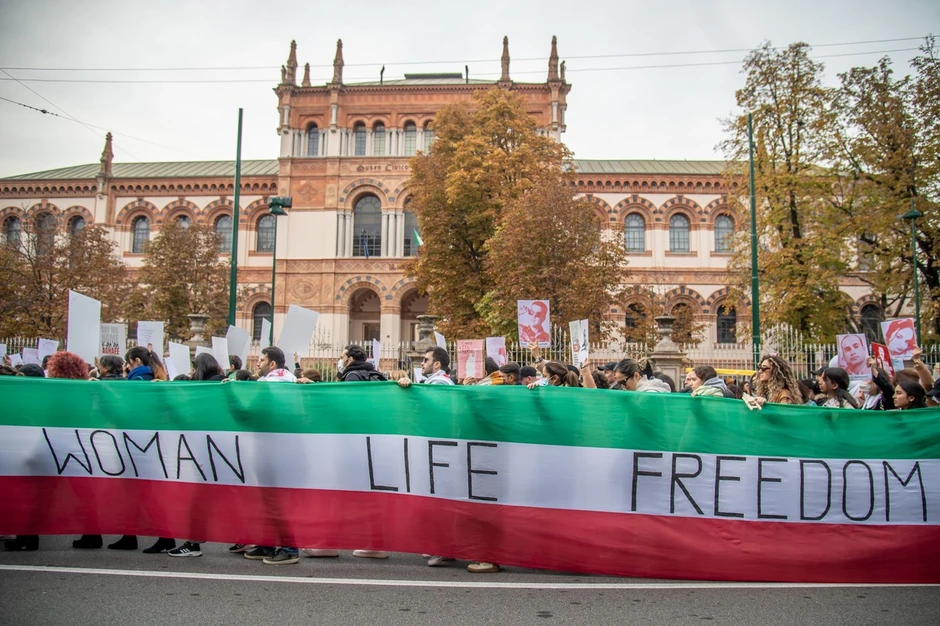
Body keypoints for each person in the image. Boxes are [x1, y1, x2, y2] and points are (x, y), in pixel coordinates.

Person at [241, 346, 300, 565]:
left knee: (273, 500)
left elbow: (247, 412)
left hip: (269, 449)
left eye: (261, 359)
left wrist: (230, 394)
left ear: (272, 364)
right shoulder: (294, 381)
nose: (257, 363)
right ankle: (268, 544)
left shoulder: (267, 385)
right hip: (287, 449)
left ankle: (288, 548)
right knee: (273, 500)